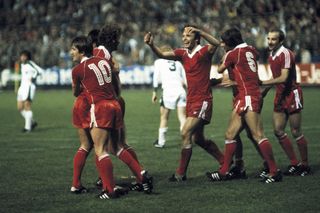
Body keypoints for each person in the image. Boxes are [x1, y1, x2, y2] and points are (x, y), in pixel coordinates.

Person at [144, 25, 224, 182]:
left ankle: (180, 174)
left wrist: (200, 31)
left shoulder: (204, 51)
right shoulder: (182, 53)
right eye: (183, 35)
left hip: (203, 100)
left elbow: (216, 43)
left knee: (185, 132)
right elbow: (161, 54)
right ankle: (225, 162)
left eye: (188, 36)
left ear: (196, 38)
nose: (184, 38)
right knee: (199, 139)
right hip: (191, 100)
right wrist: (151, 45)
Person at [206, 28, 282, 183]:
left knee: (257, 135)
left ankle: (274, 171)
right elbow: (245, 71)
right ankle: (225, 171)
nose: (221, 44)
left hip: (247, 96)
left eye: (223, 42)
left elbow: (220, 69)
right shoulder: (252, 50)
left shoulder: (233, 54)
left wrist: (225, 56)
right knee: (230, 134)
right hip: (247, 94)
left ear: (230, 43)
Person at [91, 25, 153, 193]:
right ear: (111, 40)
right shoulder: (106, 56)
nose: (119, 41)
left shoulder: (99, 56)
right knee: (117, 144)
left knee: (101, 147)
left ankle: (107, 185)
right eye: (117, 38)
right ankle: (141, 175)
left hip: (104, 104)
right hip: (115, 102)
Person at [260, 28, 310, 176]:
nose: (270, 42)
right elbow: (276, 76)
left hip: (292, 94)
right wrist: (266, 90)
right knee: (278, 131)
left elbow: (283, 77)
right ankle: (294, 163)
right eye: (268, 38)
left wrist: (263, 82)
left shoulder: (286, 54)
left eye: (273, 39)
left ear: (280, 41)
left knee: (295, 131)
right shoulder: (271, 55)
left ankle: (305, 165)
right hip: (280, 95)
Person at [152, 45, 187, 148]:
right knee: (182, 117)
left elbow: (155, 77)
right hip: (181, 91)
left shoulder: (159, 62)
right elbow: (185, 79)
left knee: (164, 118)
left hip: (168, 92)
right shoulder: (178, 63)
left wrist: (154, 92)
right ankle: (186, 140)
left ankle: (161, 142)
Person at [17, 50, 43, 133]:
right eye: (21, 56)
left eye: (24, 56)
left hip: (29, 87)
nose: (22, 57)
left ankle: (27, 128)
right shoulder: (22, 64)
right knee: (20, 108)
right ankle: (32, 122)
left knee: (27, 106)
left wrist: (33, 77)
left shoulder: (30, 63)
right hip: (22, 88)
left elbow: (40, 71)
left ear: (27, 57)